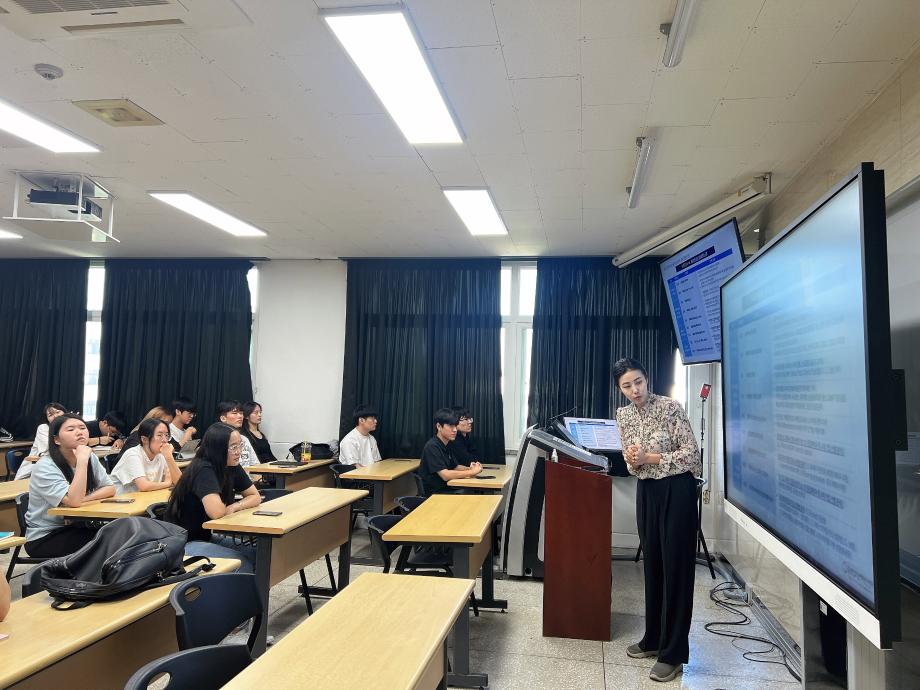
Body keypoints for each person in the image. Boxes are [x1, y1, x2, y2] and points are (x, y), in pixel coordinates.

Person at [614, 358, 701, 684]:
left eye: (638, 382)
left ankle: (673, 654)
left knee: (676, 570)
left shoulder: (670, 407)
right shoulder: (623, 415)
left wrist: (650, 457)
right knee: (653, 565)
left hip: (677, 490)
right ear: (620, 389)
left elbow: (692, 455)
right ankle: (653, 638)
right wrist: (633, 460)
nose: (634, 390)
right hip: (647, 490)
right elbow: (631, 463)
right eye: (627, 385)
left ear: (647, 379)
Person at [164, 423, 262, 573]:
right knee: (240, 562)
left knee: (259, 554)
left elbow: (255, 496)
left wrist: (235, 506)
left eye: (240, 445)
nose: (239, 451)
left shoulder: (232, 465)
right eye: (233, 447)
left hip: (206, 537)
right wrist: (229, 507)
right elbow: (216, 512)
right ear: (218, 449)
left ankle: (255, 587)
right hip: (184, 544)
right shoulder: (204, 469)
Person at [25, 414, 115, 558]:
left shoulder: (90, 457)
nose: (79, 432)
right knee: (110, 542)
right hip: (46, 536)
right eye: (71, 429)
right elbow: (74, 501)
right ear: (56, 439)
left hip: (78, 527)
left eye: (82, 428)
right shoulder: (45, 466)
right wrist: (82, 462)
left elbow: (110, 488)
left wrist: (83, 499)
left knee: (120, 533)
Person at [418, 408, 482, 495]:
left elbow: (455, 466)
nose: (455, 430)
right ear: (439, 426)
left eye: (455, 426)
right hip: (436, 494)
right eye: (451, 426)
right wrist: (471, 472)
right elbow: (445, 475)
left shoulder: (447, 443)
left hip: (447, 489)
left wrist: (471, 468)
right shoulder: (432, 446)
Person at [110, 418, 182, 494]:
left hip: (145, 497)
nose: (165, 440)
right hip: (121, 499)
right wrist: (167, 483)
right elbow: (144, 486)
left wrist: (169, 457)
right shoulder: (133, 454)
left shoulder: (162, 455)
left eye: (167, 435)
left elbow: (180, 483)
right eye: (159, 435)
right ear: (144, 439)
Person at [15, 402, 67, 480]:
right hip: (34, 470)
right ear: (47, 419)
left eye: (57, 412)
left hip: (59, 468)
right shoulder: (44, 428)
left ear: (65, 412)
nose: (55, 416)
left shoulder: (69, 427)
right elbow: (49, 449)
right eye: (50, 415)